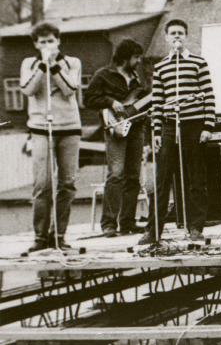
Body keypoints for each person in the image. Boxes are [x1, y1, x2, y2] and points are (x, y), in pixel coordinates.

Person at [138, 19, 216, 244]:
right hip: (171, 127)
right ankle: (153, 231)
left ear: (186, 37)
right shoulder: (161, 67)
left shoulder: (198, 63)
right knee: (162, 180)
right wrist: (157, 131)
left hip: (194, 126)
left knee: (196, 179)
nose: (177, 37)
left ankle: (196, 228)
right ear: (166, 38)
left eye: (181, 33)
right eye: (173, 34)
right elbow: (158, 102)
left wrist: (208, 126)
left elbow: (209, 96)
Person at [20, 23, 82, 251]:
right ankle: (40, 236)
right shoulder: (29, 63)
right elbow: (27, 89)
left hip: (69, 127)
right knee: (42, 183)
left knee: (67, 183)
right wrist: (43, 67)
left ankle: (59, 234)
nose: (47, 45)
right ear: (36, 44)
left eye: (51, 41)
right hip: (40, 127)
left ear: (58, 41)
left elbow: (70, 89)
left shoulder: (72, 62)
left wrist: (54, 65)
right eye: (42, 42)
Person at [84, 39, 148, 238]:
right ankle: (109, 224)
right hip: (116, 129)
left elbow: (140, 101)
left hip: (136, 128)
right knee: (116, 174)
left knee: (133, 176)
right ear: (125, 57)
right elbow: (88, 99)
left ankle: (128, 222)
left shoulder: (136, 77)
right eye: (136, 57)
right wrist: (111, 102)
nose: (138, 61)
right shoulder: (104, 75)